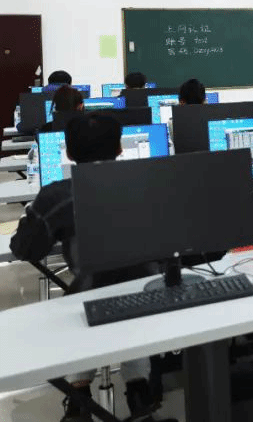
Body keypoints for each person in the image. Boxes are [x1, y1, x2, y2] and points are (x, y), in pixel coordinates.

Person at [10, 114, 168, 422]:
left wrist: (34, 217)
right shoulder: (150, 184)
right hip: (150, 300)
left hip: (89, 304)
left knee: (83, 299)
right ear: (120, 148)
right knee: (131, 289)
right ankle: (139, 391)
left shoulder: (58, 196)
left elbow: (26, 249)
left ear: (69, 153)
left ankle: (79, 396)